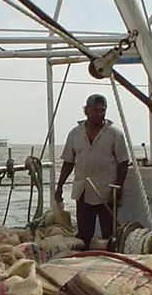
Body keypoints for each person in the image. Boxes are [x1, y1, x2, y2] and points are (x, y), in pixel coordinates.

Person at [54, 94, 131, 248]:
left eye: (103, 110)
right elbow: (68, 161)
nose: (99, 114)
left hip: (106, 191)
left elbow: (123, 162)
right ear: (86, 110)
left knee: (109, 234)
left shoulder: (115, 134)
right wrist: (60, 186)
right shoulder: (75, 133)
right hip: (83, 190)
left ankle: (110, 261)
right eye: (95, 110)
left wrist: (119, 186)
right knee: (84, 234)